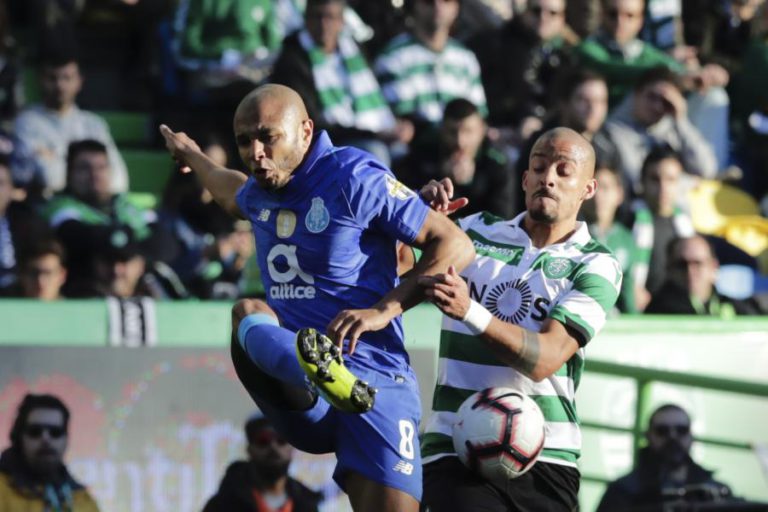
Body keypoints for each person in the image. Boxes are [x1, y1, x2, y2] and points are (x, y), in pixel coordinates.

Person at [159, 83, 475, 511]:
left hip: (373, 381)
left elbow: (456, 245)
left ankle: (333, 375)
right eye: (243, 142)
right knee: (247, 314)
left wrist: (382, 311)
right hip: (303, 394)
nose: (255, 153)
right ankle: (314, 368)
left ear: (305, 132)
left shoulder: (354, 175)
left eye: (268, 137)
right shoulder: (262, 188)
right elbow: (228, 189)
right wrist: (193, 155)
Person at [417, 127, 622, 511]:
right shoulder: (472, 233)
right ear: (525, 179)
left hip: (548, 456)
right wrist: (413, 216)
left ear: (588, 189)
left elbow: (545, 359)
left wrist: (470, 311)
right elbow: (397, 271)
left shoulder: (597, 263)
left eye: (564, 171)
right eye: (540, 167)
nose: (549, 178)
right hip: (456, 443)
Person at [269, 0, 401, 166]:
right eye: (317, 17)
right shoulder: (293, 60)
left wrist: (398, 124)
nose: (323, 24)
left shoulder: (354, 48)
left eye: (330, 17)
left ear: (341, 21)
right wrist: (375, 135)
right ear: (306, 19)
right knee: (375, 153)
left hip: (374, 133)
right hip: (330, 143)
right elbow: (312, 124)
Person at [41, 139, 162, 298]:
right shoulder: (59, 206)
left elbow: (164, 245)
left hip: (135, 290)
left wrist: (110, 240)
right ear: (69, 173)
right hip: (81, 292)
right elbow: (76, 238)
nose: (94, 175)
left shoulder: (127, 204)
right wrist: (131, 241)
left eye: (101, 167)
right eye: (84, 168)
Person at [14, 53, 128, 197]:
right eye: (52, 78)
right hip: (47, 207)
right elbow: (51, 179)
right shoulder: (26, 122)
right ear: (41, 80)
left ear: (79, 81)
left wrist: (53, 158)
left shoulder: (94, 124)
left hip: (91, 205)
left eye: (67, 78)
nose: (60, 85)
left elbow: (119, 180)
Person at [373, 0, 487, 132]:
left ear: (456, 7)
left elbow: (478, 115)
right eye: (428, 1)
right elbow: (404, 118)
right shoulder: (392, 57)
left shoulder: (466, 58)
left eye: (446, 0)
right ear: (413, 6)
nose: (438, 6)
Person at [596, 404, 734, 511]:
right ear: (648, 436)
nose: (672, 438)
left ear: (691, 437)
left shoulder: (716, 492)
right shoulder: (622, 492)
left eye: (681, 430)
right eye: (662, 431)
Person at [397, 98, 516, 218]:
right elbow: (406, 206)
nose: (460, 141)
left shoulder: (498, 162)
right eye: (452, 132)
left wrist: (469, 186)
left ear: (482, 130)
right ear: (442, 129)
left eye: (468, 131)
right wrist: (442, 178)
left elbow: (501, 218)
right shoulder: (422, 154)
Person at [0, 393, 100, 511]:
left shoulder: (82, 500)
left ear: (66, 440)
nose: (46, 439)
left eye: (55, 432)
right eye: (35, 431)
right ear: (19, 438)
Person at [203, 414, 322, 512]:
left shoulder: (308, 506)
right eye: (263, 441)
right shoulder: (222, 506)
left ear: (293, 448)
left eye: (281, 440)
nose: (273, 447)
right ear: (250, 450)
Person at [631, 146, 695, 307]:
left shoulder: (687, 227)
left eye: (671, 179)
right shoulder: (627, 221)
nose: (663, 187)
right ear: (642, 181)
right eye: (655, 179)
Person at [645, 235, 764, 316]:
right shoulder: (656, 312)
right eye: (682, 264)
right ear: (669, 269)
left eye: (698, 263)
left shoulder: (734, 308)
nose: (690, 271)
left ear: (714, 267)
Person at [582, 162, 639, 312]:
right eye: (592, 188)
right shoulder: (569, 233)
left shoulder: (627, 239)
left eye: (605, 188)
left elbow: (628, 293)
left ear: (619, 194)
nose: (598, 195)